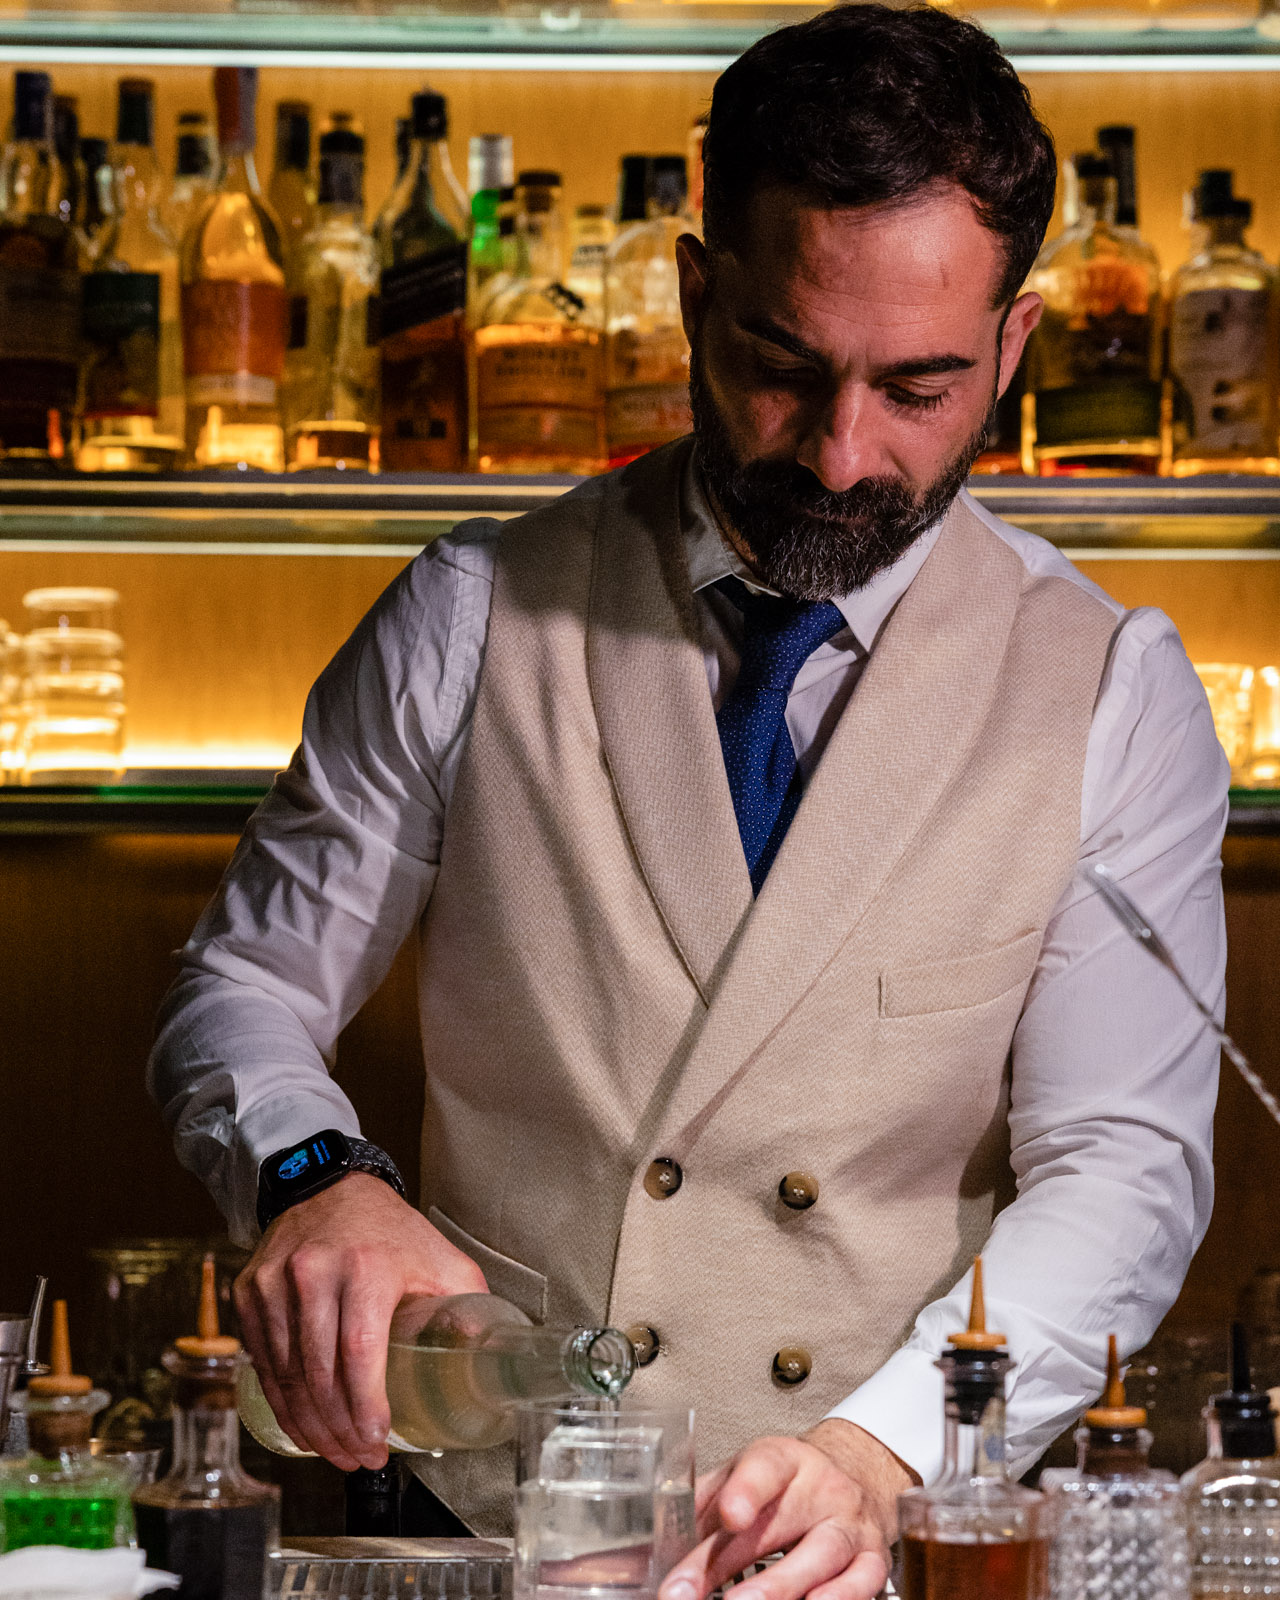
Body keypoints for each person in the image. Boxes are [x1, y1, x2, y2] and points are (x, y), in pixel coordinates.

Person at [148, 9, 1227, 1600]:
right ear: (693, 295)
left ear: (1013, 349)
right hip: (493, 1523)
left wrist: (884, 1455)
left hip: (872, 1540)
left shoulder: (1112, 690)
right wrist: (314, 1176)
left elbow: (1120, 1165)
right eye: (785, 368)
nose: (844, 457)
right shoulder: (471, 611)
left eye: (919, 388)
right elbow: (240, 989)